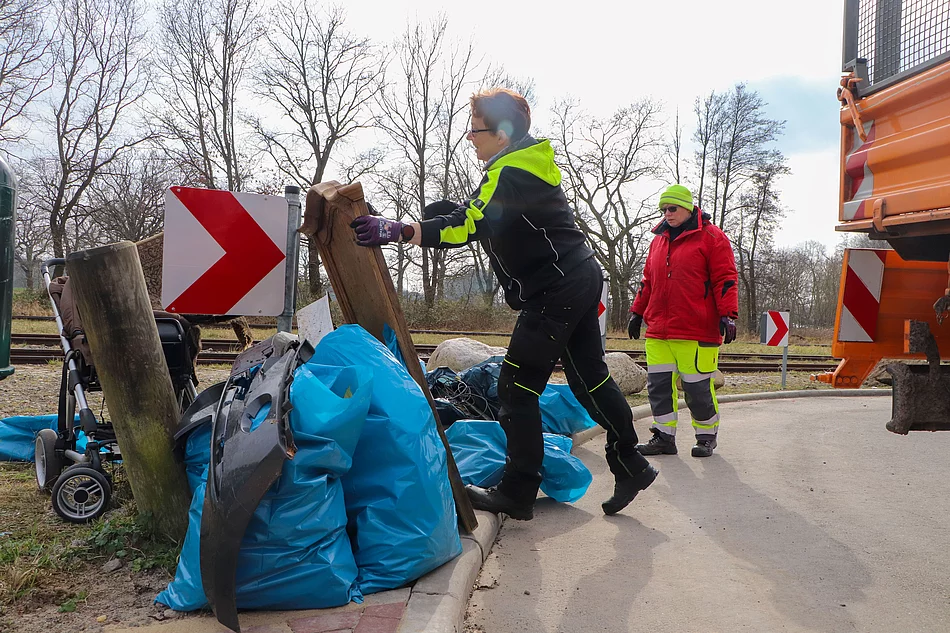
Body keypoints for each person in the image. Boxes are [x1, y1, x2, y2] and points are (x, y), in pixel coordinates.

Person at [350, 88, 657, 519]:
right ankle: (631, 462)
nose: (470, 138)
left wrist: (401, 230)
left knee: (516, 389)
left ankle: (517, 491)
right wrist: (427, 222)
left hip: (557, 289)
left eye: (475, 131)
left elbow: (473, 221)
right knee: (590, 379)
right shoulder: (525, 164)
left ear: (502, 133)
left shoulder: (510, 170)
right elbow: (487, 217)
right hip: (578, 277)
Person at [627, 184, 738, 458]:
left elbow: (725, 278)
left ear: (687, 208)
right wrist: (637, 312)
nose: (667, 214)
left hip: (696, 329)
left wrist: (727, 314)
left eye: (672, 208)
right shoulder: (658, 241)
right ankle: (664, 437)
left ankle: (706, 436)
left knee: (697, 389)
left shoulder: (712, 238)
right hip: (659, 331)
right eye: (663, 210)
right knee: (659, 387)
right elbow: (648, 282)